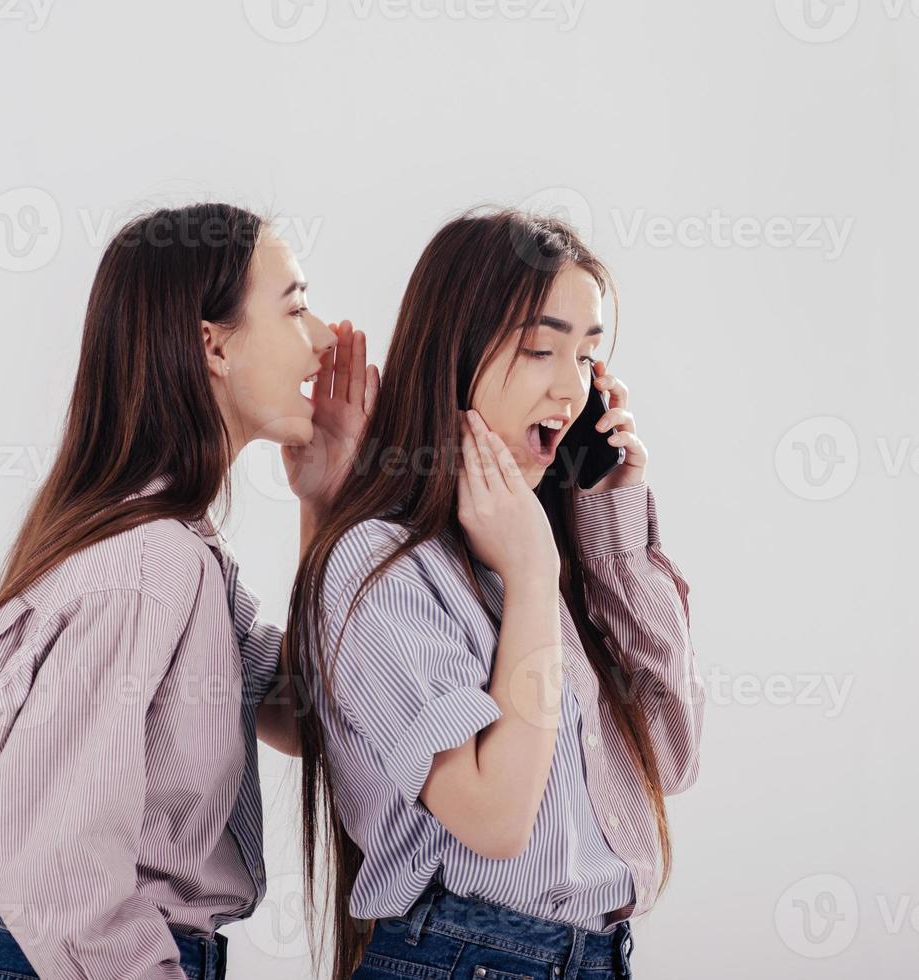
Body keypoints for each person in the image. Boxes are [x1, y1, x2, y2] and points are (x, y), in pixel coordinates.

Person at [0, 202, 376, 980]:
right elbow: (58, 867)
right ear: (211, 343)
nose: (325, 336)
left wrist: (321, 505)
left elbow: (306, 710)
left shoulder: (179, 550)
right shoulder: (145, 567)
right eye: (296, 305)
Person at [287, 208, 704, 980]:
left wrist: (610, 526)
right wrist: (533, 576)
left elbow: (670, 756)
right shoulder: (383, 563)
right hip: (468, 957)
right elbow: (495, 819)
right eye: (541, 348)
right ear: (456, 355)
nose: (570, 388)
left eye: (587, 356)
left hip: (592, 957)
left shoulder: (544, 559)